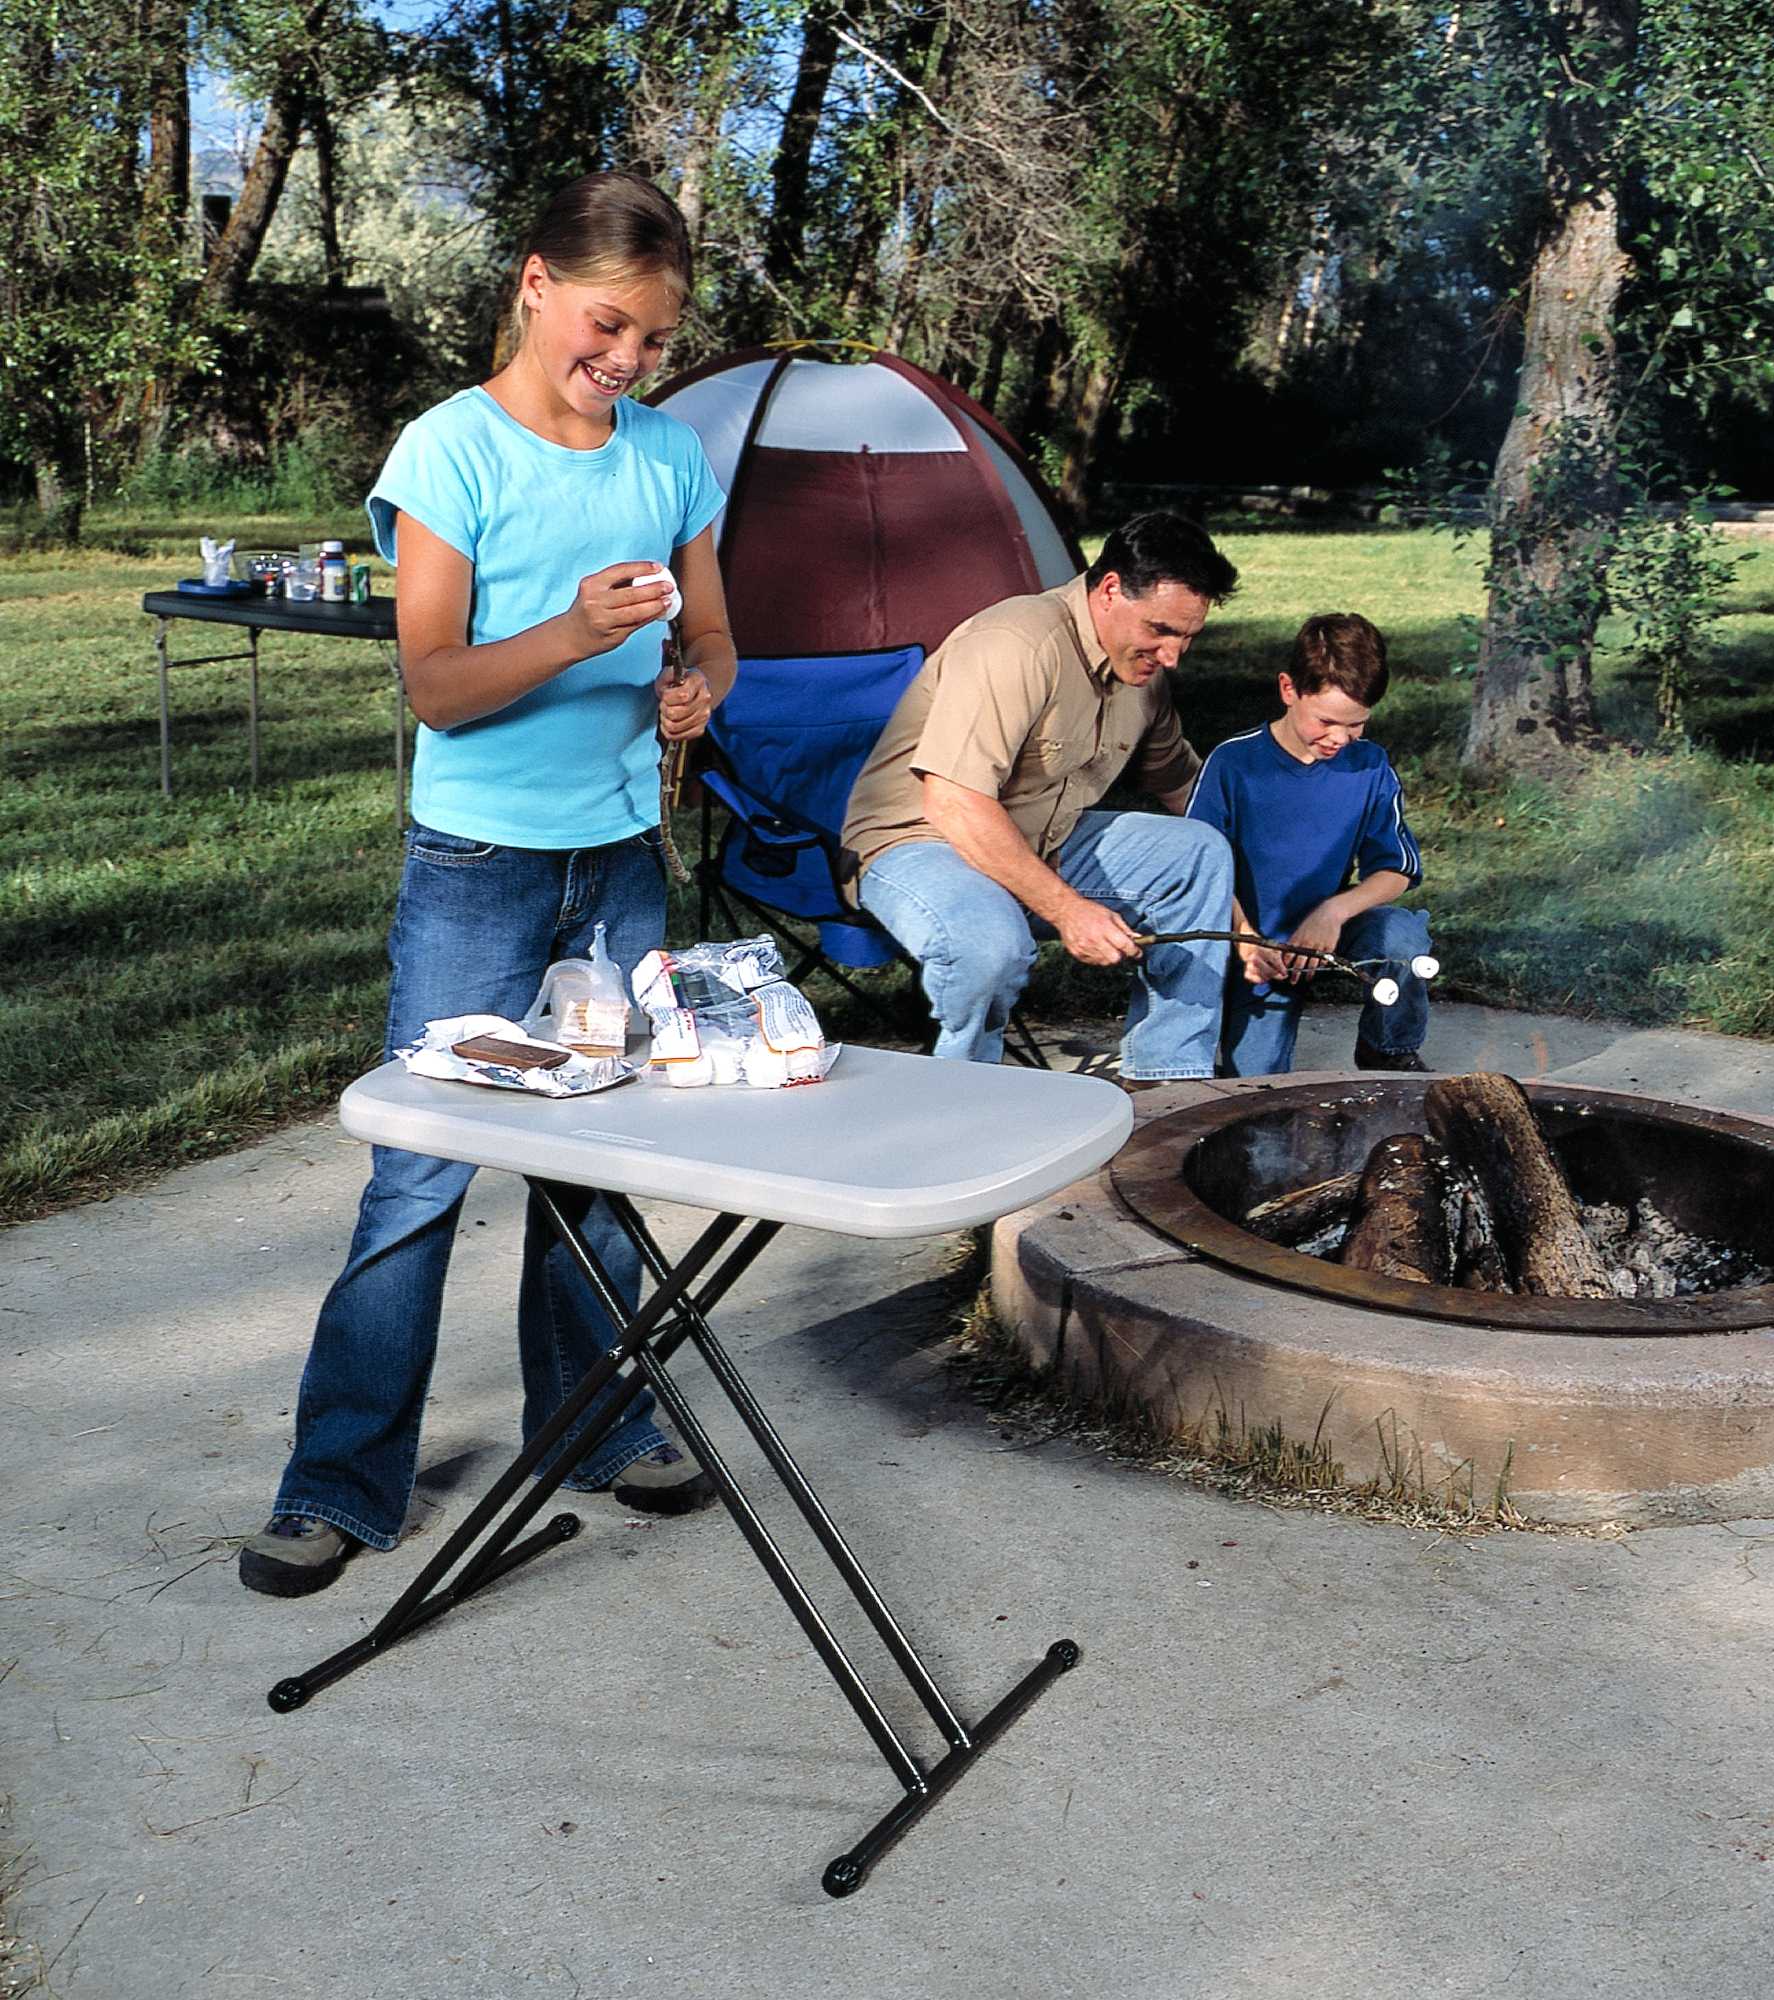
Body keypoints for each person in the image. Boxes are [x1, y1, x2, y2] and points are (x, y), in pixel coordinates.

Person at [240, 171, 737, 1597]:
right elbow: (439, 687)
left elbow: (715, 637)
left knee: (599, 1167)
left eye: (653, 339)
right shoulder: (448, 452)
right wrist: (582, 633)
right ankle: (335, 1486)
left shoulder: (668, 458)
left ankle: (597, 1428)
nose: (630, 362)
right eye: (607, 325)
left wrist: (696, 685)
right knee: (419, 1173)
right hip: (476, 867)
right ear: (533, 284)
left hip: (617, 862)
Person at [840, 514, 1239, 1081]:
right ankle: (964, 1099)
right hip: (919, 842)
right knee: (990, 946)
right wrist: (1067, 909)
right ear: (1109, 590)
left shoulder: (1144, 673)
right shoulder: (1016, 644)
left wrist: (1244, 917)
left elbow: (1182, 786)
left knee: (1197, 850)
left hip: (1038, 836)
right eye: (1160, 631)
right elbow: (954, 803)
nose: (1174, 656)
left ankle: (1168, 1082)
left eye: (1188, 636)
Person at [1186, 612, 1431, 1078]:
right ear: (1288, 690)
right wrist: (1246, 940)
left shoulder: (1369, 765)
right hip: (1254, 949)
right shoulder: (1233, 763)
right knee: (1256, 1090)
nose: (1341, 738)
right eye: (1326, 721)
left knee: (1403, 939)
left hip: (1328, 936)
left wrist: (1332, 913)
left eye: (1357, 724)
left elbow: (1396, 868)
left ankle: (1389, 1049)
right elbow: (1196, 868)